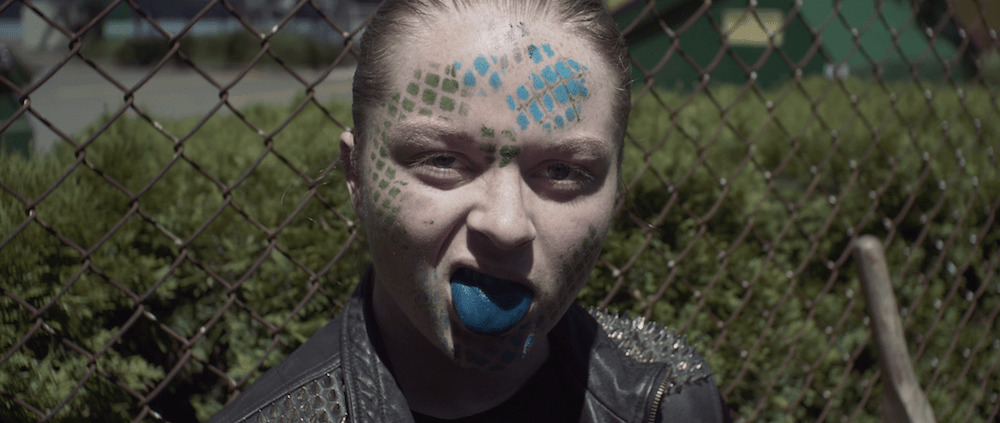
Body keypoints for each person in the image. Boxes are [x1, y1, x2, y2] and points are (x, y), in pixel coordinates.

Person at [210, 0, 730, 421]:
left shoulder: (676, 396)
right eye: (441, 160)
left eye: (562, 171)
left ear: (616, 189)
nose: (505, 226)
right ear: (356, 176)